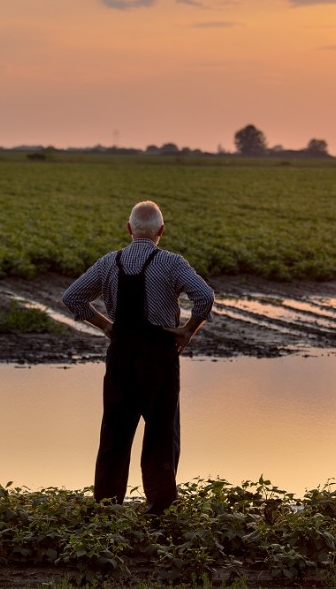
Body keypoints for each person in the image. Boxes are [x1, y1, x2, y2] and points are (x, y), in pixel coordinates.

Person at [62, 200, 214, 514]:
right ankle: (160, 508)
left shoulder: (109, 262)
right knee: (161, 430)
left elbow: (72, 296)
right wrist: (188, 330)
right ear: (161, 230)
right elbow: (205, 295)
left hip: (121, 354)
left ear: (129, 229)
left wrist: (106, 326)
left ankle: (108, 507)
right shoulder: (172, 262)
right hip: (160, 354)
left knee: (115, 431)